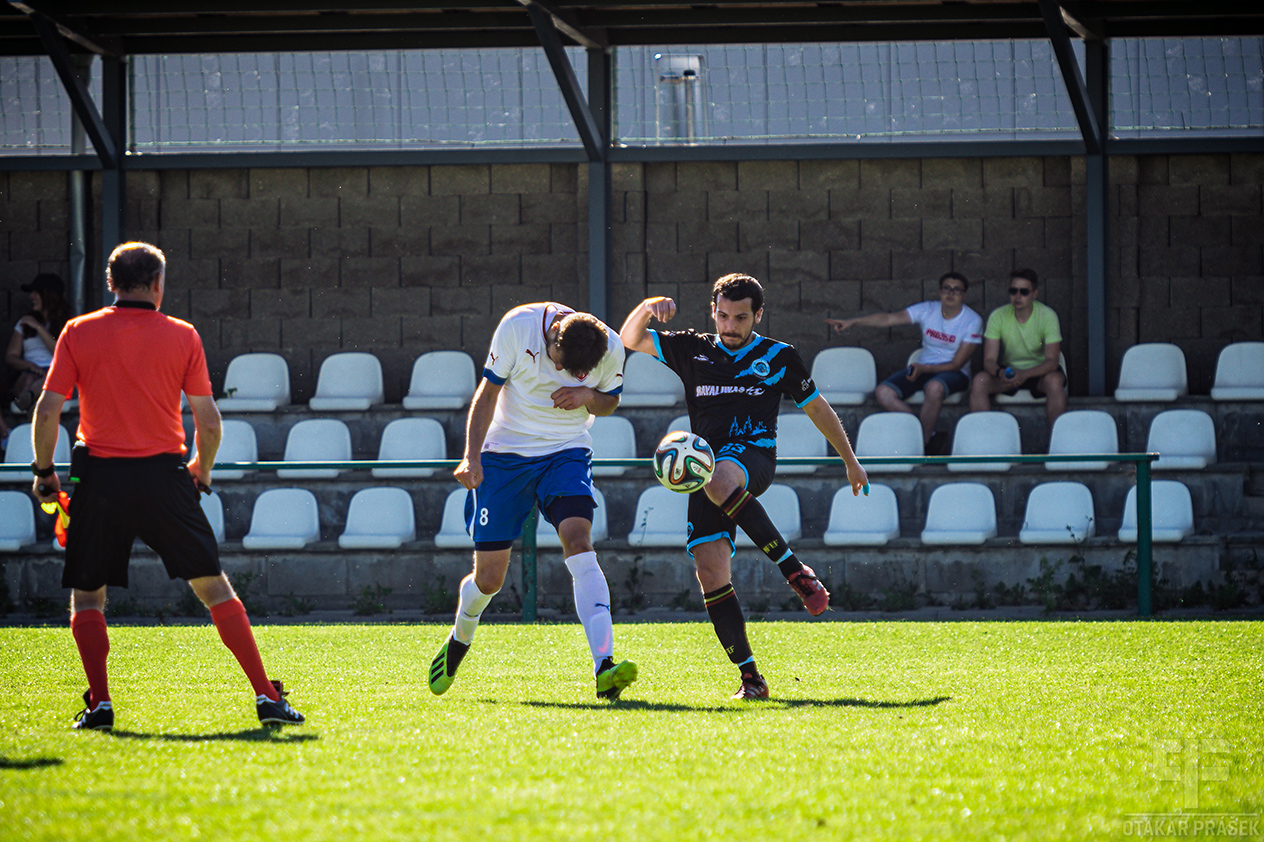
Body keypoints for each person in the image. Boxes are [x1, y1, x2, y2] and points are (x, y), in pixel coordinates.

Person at [30, 242, 303, 731]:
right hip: (164, 477)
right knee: (214, 587)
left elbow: (48, 410)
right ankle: (265, 696)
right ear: (158, 284)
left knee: (88, 596)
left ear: (111, 284)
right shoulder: (183, 335)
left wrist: (45, 472)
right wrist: (202, 468)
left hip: (99, 478)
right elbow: (210, 423)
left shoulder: (77, 332)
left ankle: (101, 705)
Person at [620, 274, 868, 700]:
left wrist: (850, 460)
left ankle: (796, 573)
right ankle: (751, 678)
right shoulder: (692, 348)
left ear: (757, 316)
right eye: (722, 315)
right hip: (705, 471)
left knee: (719, 475)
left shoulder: (779, 356)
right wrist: (647, 307)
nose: (729, 325)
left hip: (753, 457)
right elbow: (630, 339)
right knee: (710, 572)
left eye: (739, 317)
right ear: (712, 311)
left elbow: (817, 407)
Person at [428, 302, 638, 701]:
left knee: (579, 540)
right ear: (550, 338)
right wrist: (471, 456)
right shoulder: (519, 326)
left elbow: (609, 403)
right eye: (561, 364)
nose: (565, 374)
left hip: (566, 450)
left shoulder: (609, 345)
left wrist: (588, 394)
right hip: (504, 454)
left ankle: (604, 666)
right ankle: (459, 639)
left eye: (578, 372)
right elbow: (487, 392)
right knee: (490, 579)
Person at [825, 272, 982, 454]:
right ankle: (923, 433)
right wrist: (853, 322)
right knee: (883, 392)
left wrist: (923, 368)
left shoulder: (972, 320)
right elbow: (889, 319)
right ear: (940, 292)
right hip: (923, 368)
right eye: (947, 288)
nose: (951, 293)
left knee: (934, 387)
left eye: (957, 290)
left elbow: (956, 364)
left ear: (964, 295)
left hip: (955, 374)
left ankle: (921, 444)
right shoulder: (928, 309)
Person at [969, 268, 1067, 428]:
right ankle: (983, 438)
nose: (1018, 296)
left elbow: (1052, 362)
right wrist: (1000, 372)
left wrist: (1025, 374)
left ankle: (1057, 441)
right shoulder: (998, 315)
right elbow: (989, 360)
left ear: (1034, 294)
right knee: (980, 381)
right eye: (1013, 290)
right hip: (1009, 374)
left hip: (1038, 373)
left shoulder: (1047, 315)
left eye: (1024, 291)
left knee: (1055, 381)